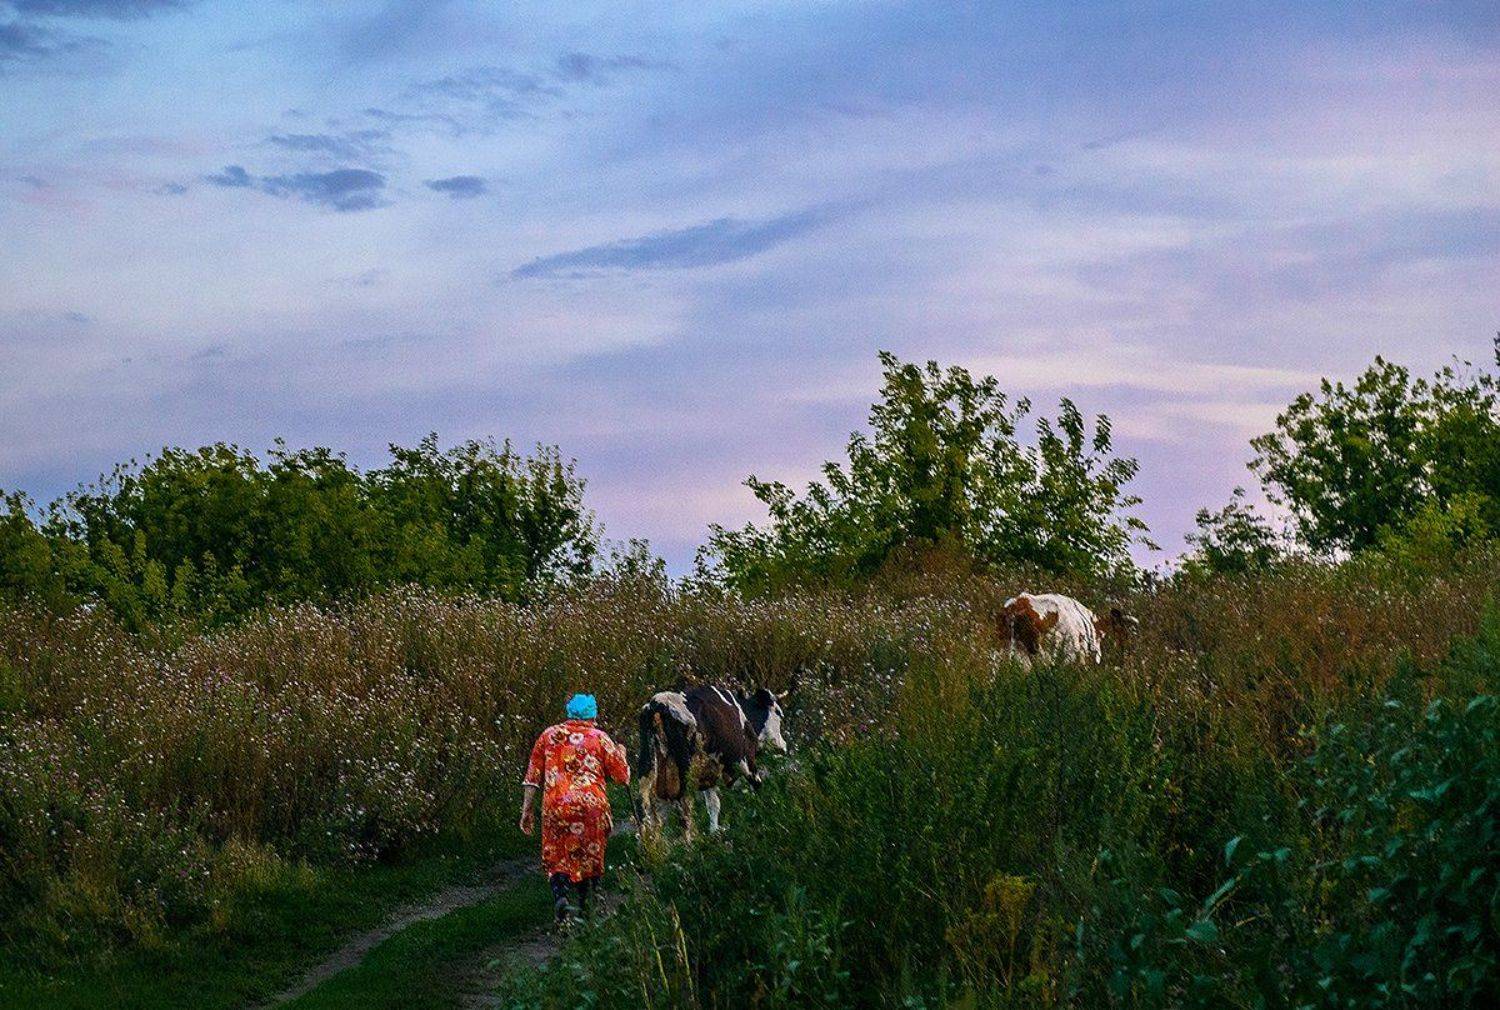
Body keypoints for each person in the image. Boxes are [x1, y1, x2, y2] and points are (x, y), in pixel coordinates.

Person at [520, 693, 630, 923]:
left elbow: (532, 777)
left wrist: (526, 810)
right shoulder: (600, 738)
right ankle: (586, 904)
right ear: (593, 715)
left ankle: (561, 897)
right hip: (592, 807)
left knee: (556, 854)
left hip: (556, 807)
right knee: (589, 853)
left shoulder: (548, 736)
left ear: (568, 712)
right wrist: (622, 755)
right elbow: (622, 777)